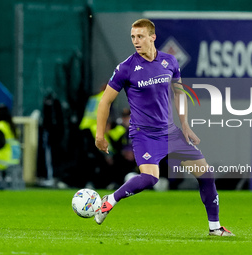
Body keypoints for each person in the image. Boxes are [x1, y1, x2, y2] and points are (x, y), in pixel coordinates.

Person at [94, 19, 234, 236]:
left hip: (169, 132)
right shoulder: (126, 68)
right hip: (144, 134)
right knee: (150, 178)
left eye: (140, 36)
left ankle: (215, 228)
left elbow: (179, 93)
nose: (135, 41)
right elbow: (105, 102)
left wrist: (185, 124)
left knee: (206, 174)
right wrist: (99, 135)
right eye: (133, 37)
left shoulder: (170, 61)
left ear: (152, 37)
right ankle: (110, 200)